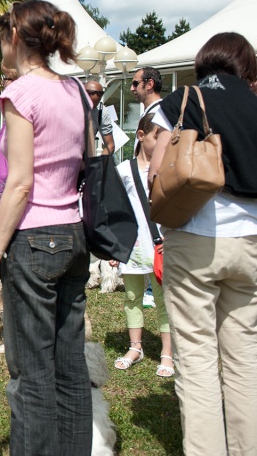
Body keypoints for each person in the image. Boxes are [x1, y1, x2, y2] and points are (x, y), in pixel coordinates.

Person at [0, 0, 92, 455]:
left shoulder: (19, 94)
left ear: (16, 38)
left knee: (32, 374)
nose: (0, 47)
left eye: (2, 37)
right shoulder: (76, 90)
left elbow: (20, 183)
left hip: (35, 241)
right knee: (70, 366)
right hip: (74, 234)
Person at [148, 32, 257, 456]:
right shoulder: (253, 102)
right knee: (245, 357)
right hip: (250, 242)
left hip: (195, 237)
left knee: (195, 360)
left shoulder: (179, 102)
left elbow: (158, 172)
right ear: (245, 65)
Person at [109, 113, 173, 376]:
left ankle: (167, 353)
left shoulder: (168, 168)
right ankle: (136, 346)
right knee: (132, 296)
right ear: (141, 135)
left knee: (163, 299)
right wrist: (114, 247)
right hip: (133, 246)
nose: (162, 143)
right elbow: (116, 210)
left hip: (161, 244)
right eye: (158, 136)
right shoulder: (123, 171)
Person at [131, 67, 162, 156]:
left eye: (135, 83)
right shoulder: (149, 112)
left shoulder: (159, 113)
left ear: (149, 84)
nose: (132, 88)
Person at [85, 80, 114, 155]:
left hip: (87, 156)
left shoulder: (102, 112)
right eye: (88, 104)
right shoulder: (69, 106)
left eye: (94, 106)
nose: (91, 108)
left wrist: (98, 163)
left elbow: (110, 145)